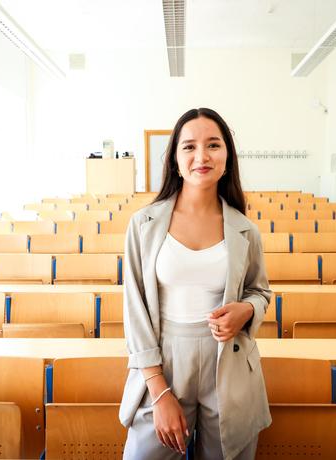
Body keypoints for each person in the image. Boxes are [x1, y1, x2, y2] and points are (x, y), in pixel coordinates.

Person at [120, 108, 272, 460]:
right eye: (189, 147)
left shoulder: (245, 229)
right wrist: (158, 392)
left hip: (229, 361)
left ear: (227, 157)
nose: (201, 156)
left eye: (213, 145)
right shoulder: (143, 224)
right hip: (164, 360)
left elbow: (260, 292)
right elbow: (135, 308)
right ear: (174, 159)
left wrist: (247, 310)